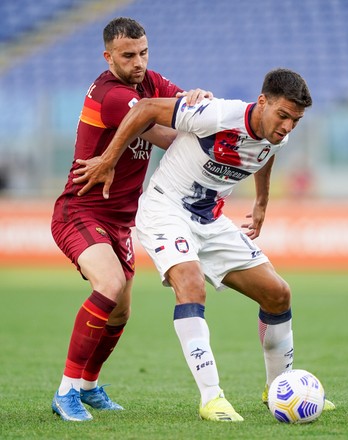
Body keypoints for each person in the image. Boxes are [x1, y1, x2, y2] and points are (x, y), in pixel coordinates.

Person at [73, 68, 335, 422]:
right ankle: (212, 398)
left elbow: (265, 153)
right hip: (166, 210)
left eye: (296, 120)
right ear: (262, 102)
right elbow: (146, 108)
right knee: (192, 285)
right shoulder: (218, 114)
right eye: (283, 115)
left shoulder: (277, 135)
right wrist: (107, 161)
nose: (288, 127)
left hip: (210, 220)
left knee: (278, 294)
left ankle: (278, 389)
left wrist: (261, 202)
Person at [50, 16, 212, 422]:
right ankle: (66, 390)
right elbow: (168, 135)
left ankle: (88, 386)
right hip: (82, 209)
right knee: (109, 285)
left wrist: (198, 100)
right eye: (128, 55)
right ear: (108, 57)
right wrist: (200, 122)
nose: (138, 62)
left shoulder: (149, 82)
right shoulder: (112, 95)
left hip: (122, 219)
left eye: (143, 53)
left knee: (119, 313)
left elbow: (189, 106)